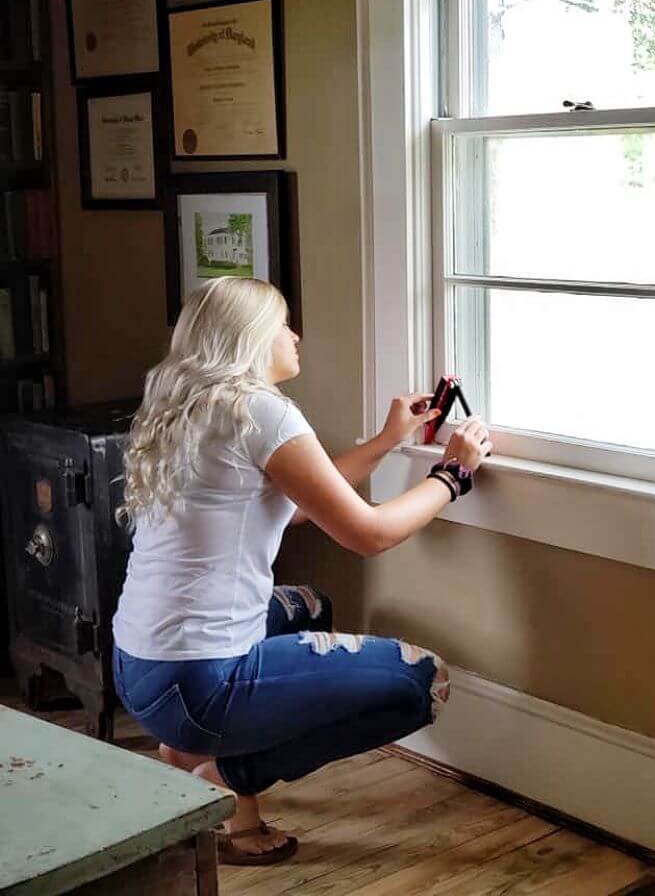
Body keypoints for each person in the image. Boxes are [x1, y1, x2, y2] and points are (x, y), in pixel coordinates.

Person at [111, 276, 491, 866]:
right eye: (284, 322)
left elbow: (295, 503)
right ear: (252, 336)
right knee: (426, 682)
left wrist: (390, 440)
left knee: (310, 606)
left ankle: (197, 766)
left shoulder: (188, 403)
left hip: (140, 670)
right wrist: (453, 475)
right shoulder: (261, 410)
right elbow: (368, 534)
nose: (295, 335)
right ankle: (226, 767)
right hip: (200, 684)